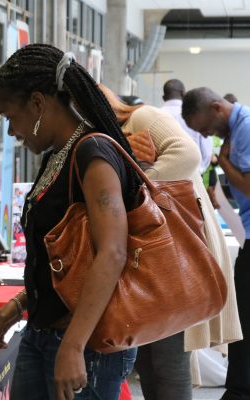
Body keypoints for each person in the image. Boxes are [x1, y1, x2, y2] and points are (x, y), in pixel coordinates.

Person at [0, 44, 140, 400]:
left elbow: (112, 252)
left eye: (9, 117)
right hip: (43, 334)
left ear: (37, 104)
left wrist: (73, 346)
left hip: (84, 343)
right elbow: (69, 259)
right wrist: (21, 304)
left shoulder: (92, 153)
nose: (10, 132)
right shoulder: (60, 154)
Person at [100, 84, 242, 399]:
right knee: (151, 362)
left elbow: (186, 155)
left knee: (169, 362)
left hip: (176, 254)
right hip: (159, 254)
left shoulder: (143, 117)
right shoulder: (116, 135)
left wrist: (131, 196)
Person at [183, 87, 250, 400]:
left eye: (205, 128)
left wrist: (224, 162)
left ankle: (238, 391)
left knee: (243, 317)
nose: (207, 135)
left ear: (217, 108)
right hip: (246, 233)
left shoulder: (245, 128)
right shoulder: (236, 130)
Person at [160, 79, 213, 176]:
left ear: (163, 97)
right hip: (193, 175)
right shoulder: (196, 115)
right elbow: (207, 150)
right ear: (183, 93)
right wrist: (200, 170)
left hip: (163, 178)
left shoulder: (156, 116)